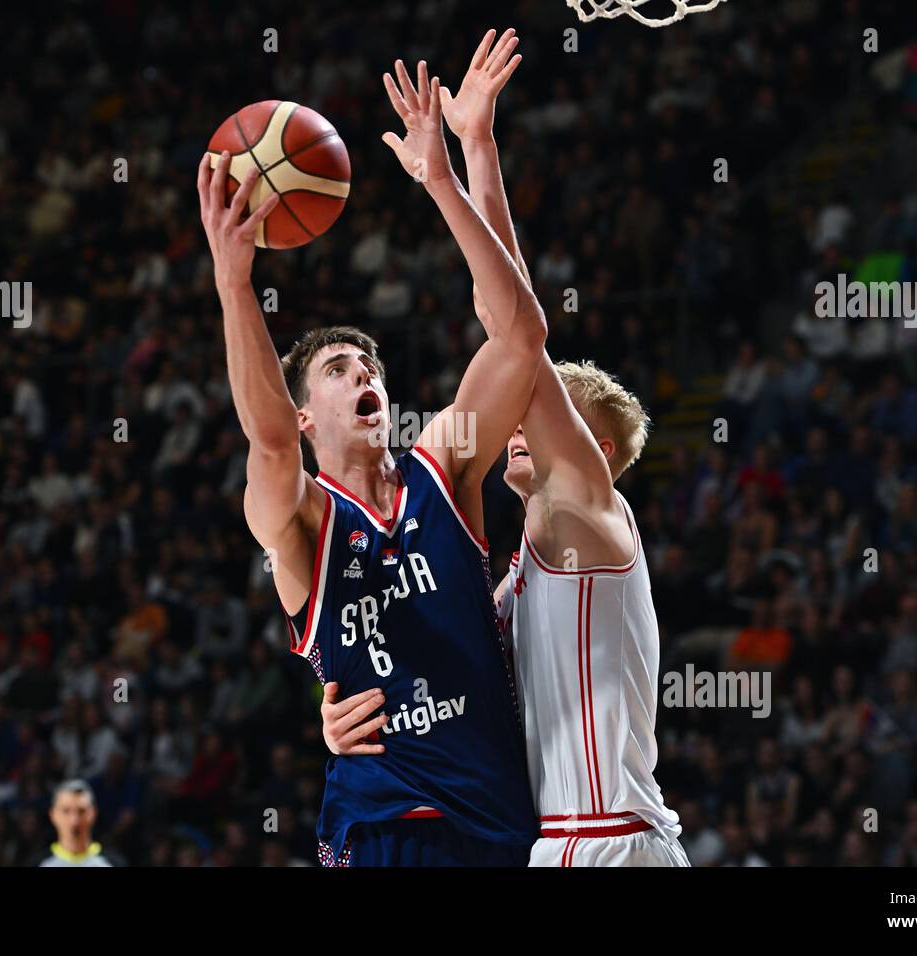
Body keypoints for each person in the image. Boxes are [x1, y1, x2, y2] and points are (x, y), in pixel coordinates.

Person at [322, 29, 686, 867]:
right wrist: (346, 713)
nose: (513, 424)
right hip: (553, 843)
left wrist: (450, 175)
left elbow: (515, 331)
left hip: (614, 840)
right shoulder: (528, 554)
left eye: (537, 416)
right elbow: (518, 319)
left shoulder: (588, 510)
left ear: (589, 444)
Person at [197, 54, 544, 866]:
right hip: (388, 819)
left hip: (501, 818)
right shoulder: (301, 523)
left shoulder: (444, 469)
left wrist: (445, 176)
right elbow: (269, 442)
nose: (365, 376)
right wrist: (234, 281)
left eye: (372, 369)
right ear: (307, 414)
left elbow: (521, 338)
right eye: (338, 371)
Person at [37, 779, 123, 866]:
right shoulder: (39, 863)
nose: (74, 820)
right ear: (53, 815)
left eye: (81, 811)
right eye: (66, 811)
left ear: (93, 813)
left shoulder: (113, 863)